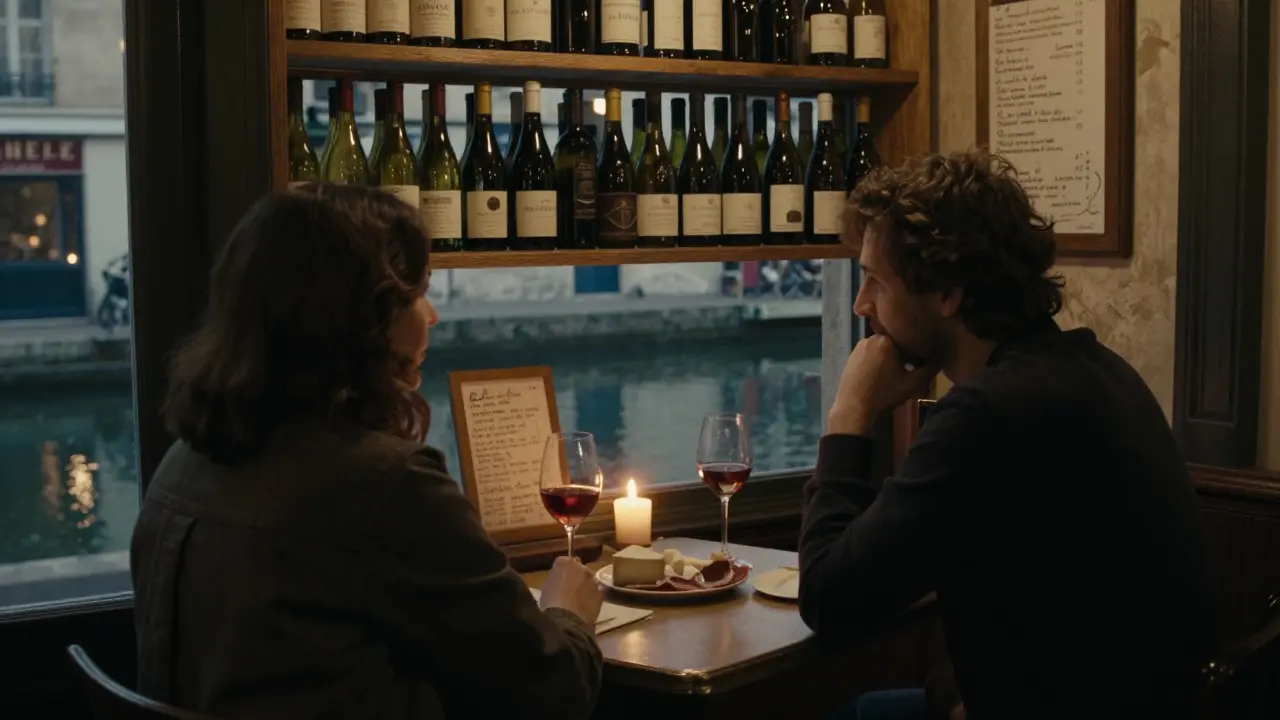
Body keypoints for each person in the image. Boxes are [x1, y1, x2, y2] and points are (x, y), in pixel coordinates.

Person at [131, 185, 604, 719]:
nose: (432, 316)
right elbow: (552, 689)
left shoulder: (183, 463)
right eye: (418, 294)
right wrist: (568, 612)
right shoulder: (385, 483)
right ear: (364, 318)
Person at [800, 150, 1216, 720]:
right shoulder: (1094, 368)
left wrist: (848, 415)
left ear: (947, 292)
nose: (859, 303)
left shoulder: (987, 415)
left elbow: (829, 598)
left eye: (874, 280)